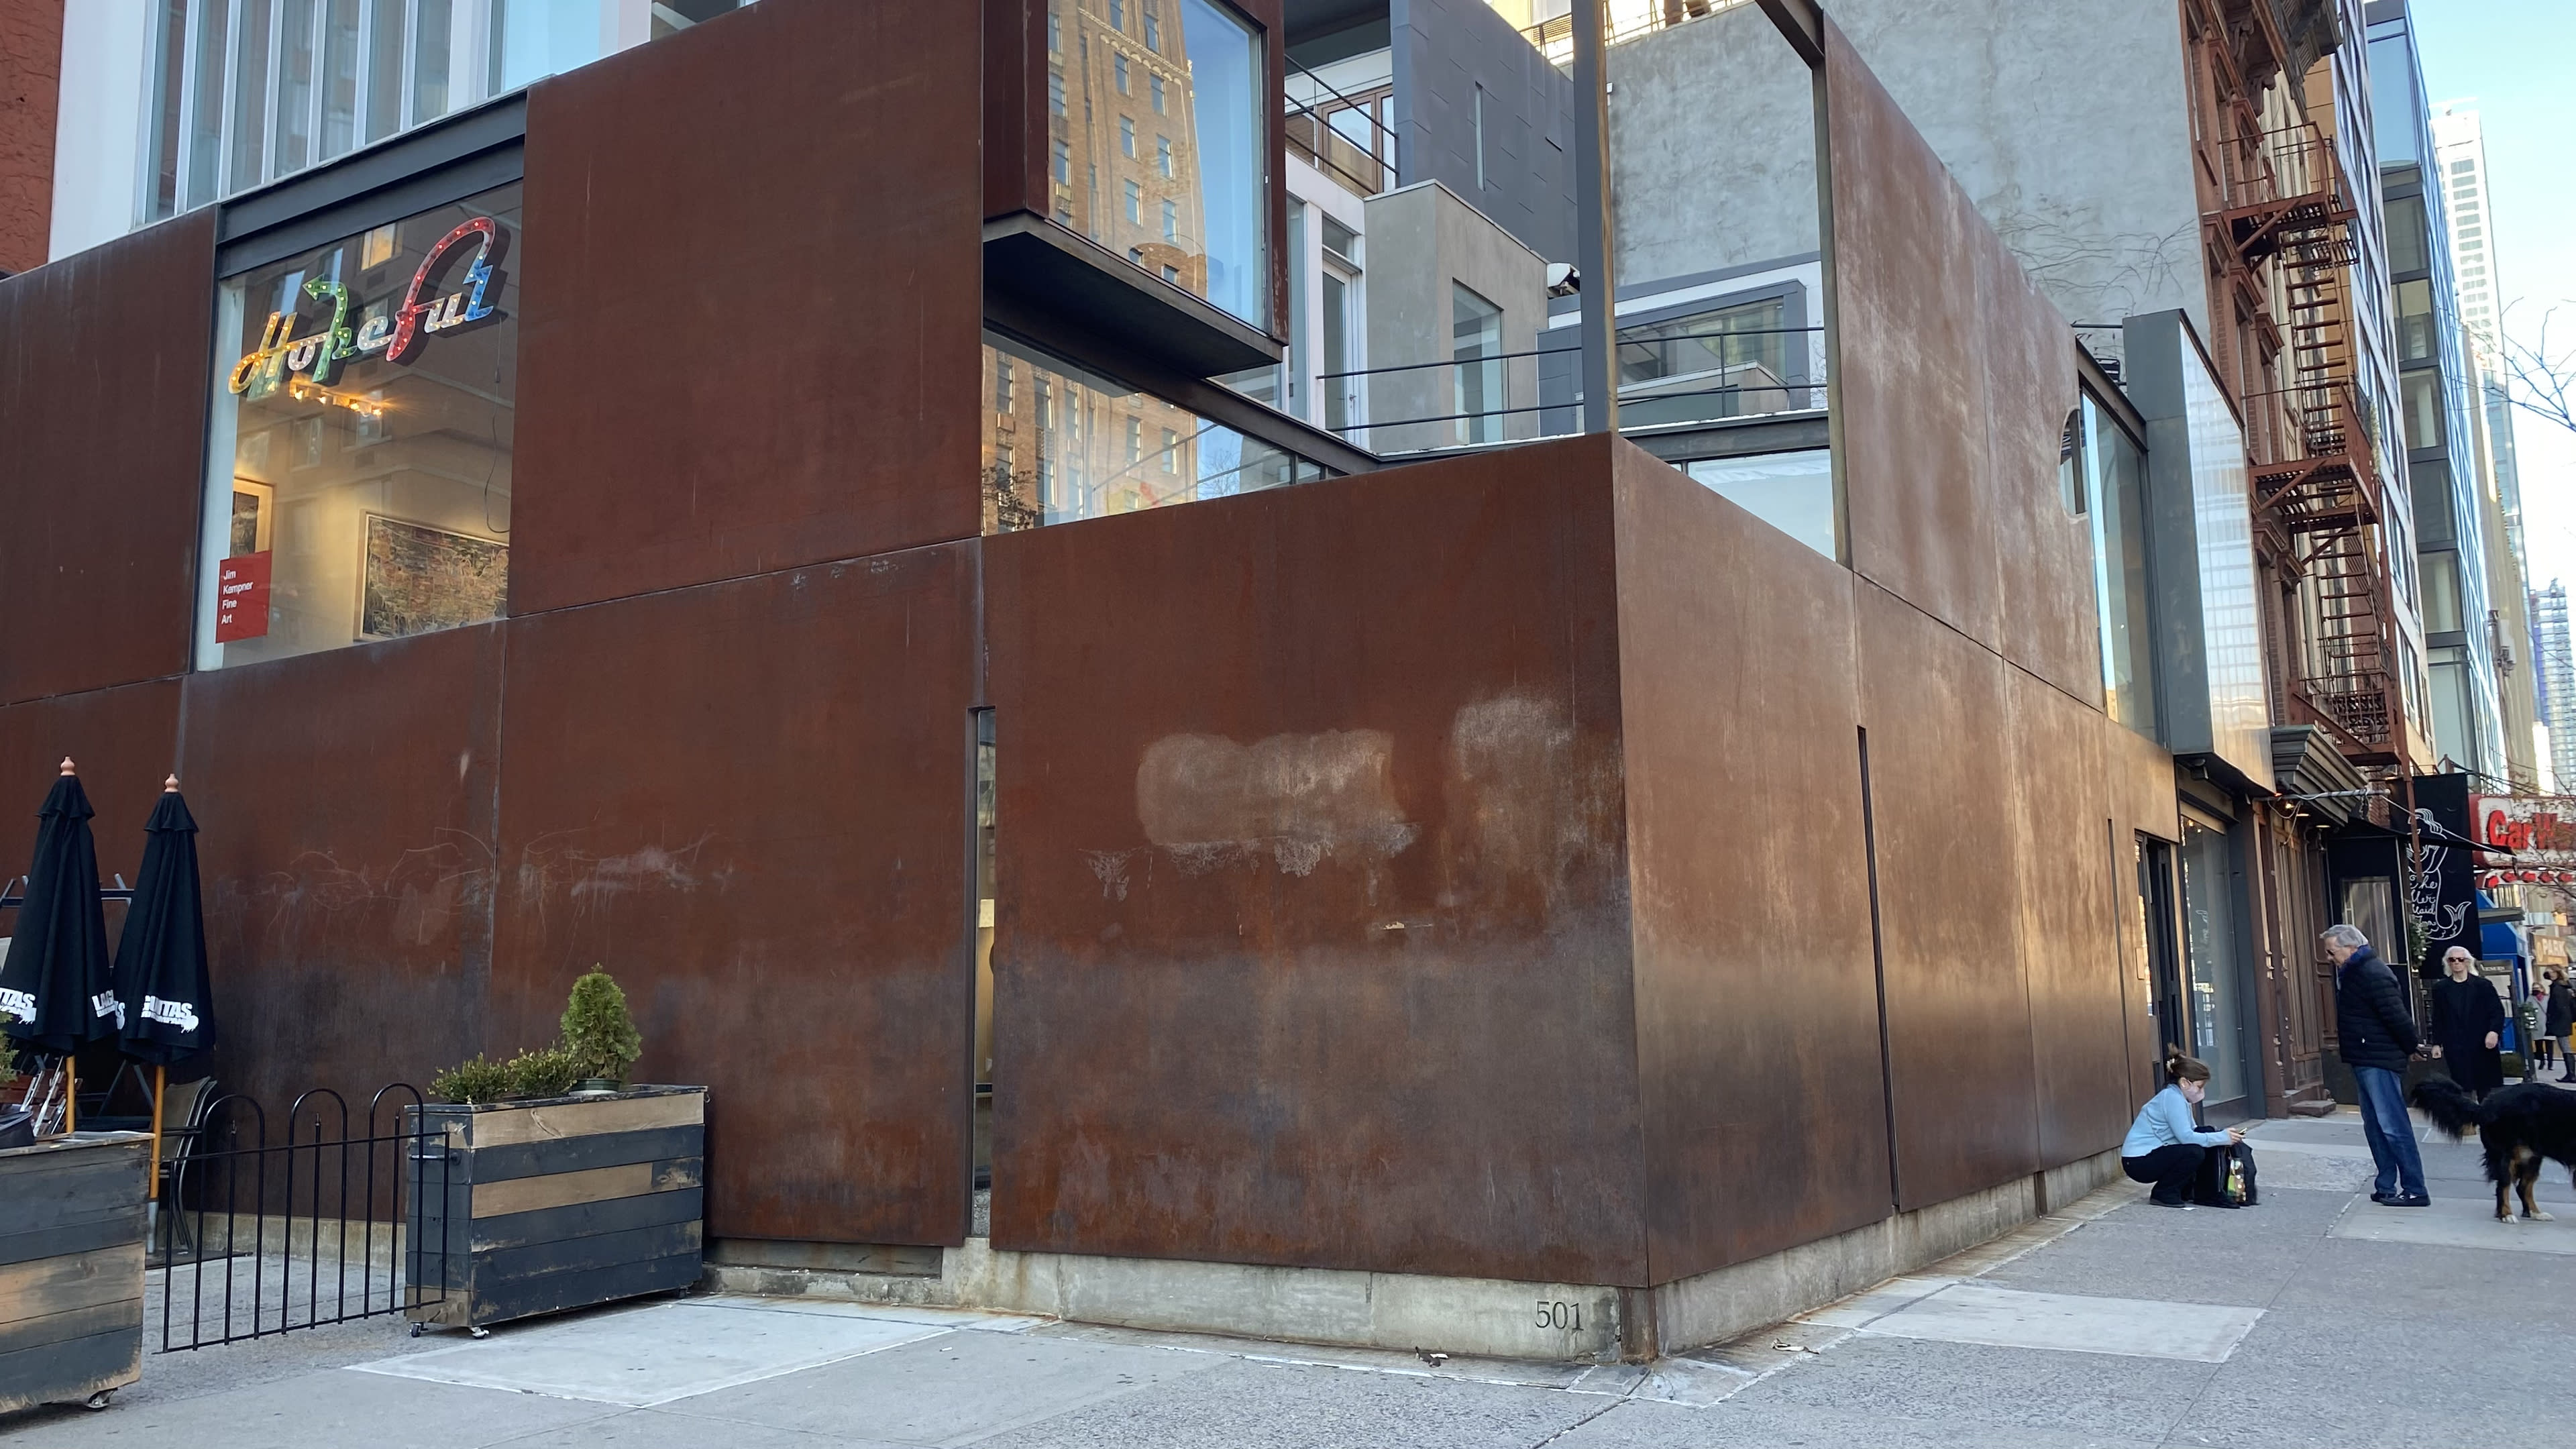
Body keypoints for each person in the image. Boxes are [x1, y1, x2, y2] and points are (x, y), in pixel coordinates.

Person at [2322, 923, 2430, 1206]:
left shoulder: (2372, 973)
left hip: (2378, 1059)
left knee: (2392, 1125)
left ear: (2351, 948)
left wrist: (2411, 1047)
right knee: (2376, 1126)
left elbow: (2397, 1016)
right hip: (2367, 1056)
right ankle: (2386, 1185)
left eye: (2332, 952)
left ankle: (2415, 1188)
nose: (2330, 959)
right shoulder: (2359, 972)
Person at [2121, 1051, 2245, 1208]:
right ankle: (2165, 1193)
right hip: (2139, 1161)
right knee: (2194, 1152)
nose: (2202, 1092)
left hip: (2148, 1156)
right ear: (2185, 1083)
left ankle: (2202, 1192)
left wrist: (2219, 1136)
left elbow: (2193, 1132)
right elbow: (2186, 1138)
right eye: (2200, 1087)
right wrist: (2222, 1138)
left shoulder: (2177, 1097)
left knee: (2205, 1134)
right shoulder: (2172, 1098)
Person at [2427, 947, 2505, 1099]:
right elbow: (2438, 1017)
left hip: (2482, 1042)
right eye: (2452, 960)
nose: (2456, 963)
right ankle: (2468, 1122)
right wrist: (2436, 1043)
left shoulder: (2483, 986)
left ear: (2467, 962)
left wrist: (2494, 1032)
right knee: (2461, 1087)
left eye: (2460, 959)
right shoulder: (2441, 988)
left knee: (2485, 1088)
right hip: (2456, 1044)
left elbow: (2497, 1011)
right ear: (2447, 963)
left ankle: (2487, 1121)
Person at [2518, 986, 2551, 1083]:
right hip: (2536, 1024)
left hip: (2547, 1023)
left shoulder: (2547, 998)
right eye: (2534, 988)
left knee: (2549, 1043)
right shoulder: (2530, 998)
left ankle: (2550, 1062)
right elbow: (2527, 1008)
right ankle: (2542, 1061)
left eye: (2537, 988)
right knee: (2538, 1044)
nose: (2535, 990)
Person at [2551, 969, 2576, 1084]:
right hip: (2565, 1021)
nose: (2549, 974)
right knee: (2566, 1047)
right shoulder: (2565, 987)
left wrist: (2553, 1019)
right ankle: (2571, 1074)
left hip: (2560, 1022)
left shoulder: (2558, 988)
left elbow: (2559, 1006)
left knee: (2565, 1047)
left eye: (2551, 972)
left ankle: (2571, 1074)